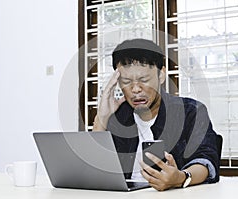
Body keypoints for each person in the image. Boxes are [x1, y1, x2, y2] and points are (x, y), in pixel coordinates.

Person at [93, 38, 221, 191]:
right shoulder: (117, 116)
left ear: (161, 75)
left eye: (144, 80)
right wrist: (101, 117)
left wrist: (181, 178)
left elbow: (206, 161)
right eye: (126, 81)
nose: (135, 89)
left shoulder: (191, 111)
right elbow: (94, 168)